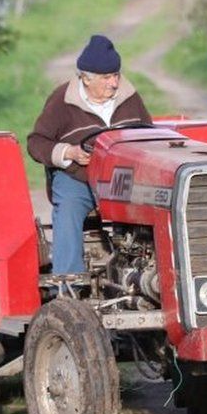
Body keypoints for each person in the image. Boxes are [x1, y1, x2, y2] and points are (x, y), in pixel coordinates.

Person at [28, 34, 152, 274]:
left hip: (123, 178)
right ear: (85, 78)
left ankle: (148, 276)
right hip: (79, 176)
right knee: (69, 208)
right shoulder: (62, 100)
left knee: (157, 205)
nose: (114, 83)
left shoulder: (130, 97)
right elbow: (36, 143)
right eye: (107, 78)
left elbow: (147, 134)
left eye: (116, 75)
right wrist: (69, 152)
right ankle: (67, 284)